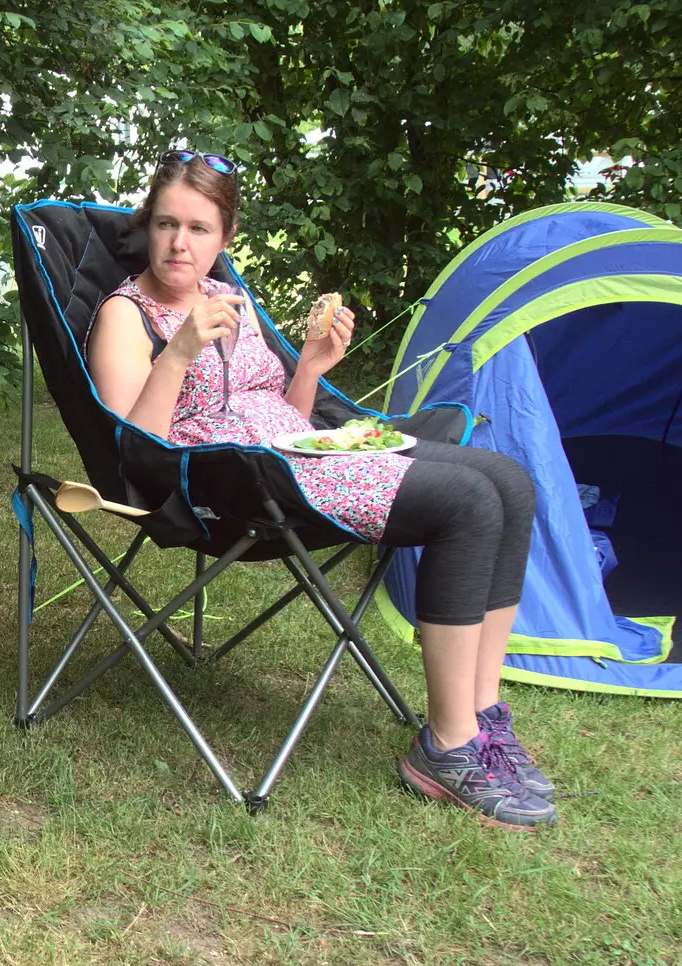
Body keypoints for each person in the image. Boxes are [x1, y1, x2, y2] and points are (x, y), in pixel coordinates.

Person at [86, 151, 558, 832]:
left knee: (511, 482)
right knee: (468, 502)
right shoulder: (125, 316)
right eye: (165, 224)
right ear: (146, 227)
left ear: (226, 237)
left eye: (198, 228)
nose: (179, 243)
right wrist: (179, 351)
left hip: (298, 455)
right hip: (229, 485)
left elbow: (283, 410)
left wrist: (307, 367)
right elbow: (138, 449)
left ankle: (482, 721)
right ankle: (447, 746)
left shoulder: (231, 300)